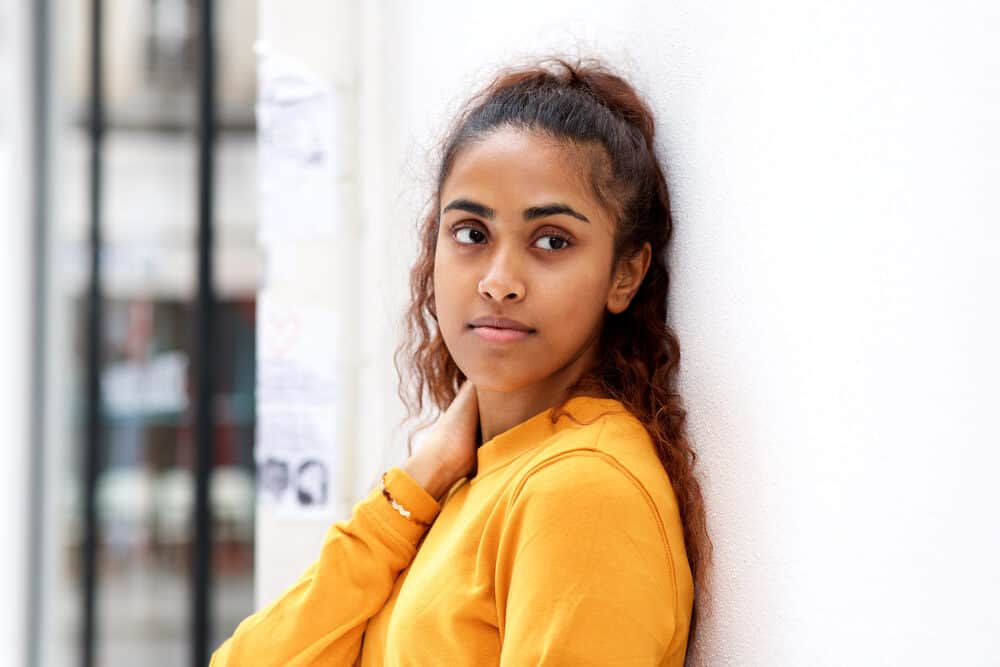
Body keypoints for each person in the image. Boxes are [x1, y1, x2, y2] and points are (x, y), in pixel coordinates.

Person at [212, 55, 711, 666]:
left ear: (625, 273)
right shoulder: (466, 476)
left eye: (551, 240)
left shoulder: (583, 492)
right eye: (472, 233)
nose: (499, 282)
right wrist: (412, 493)